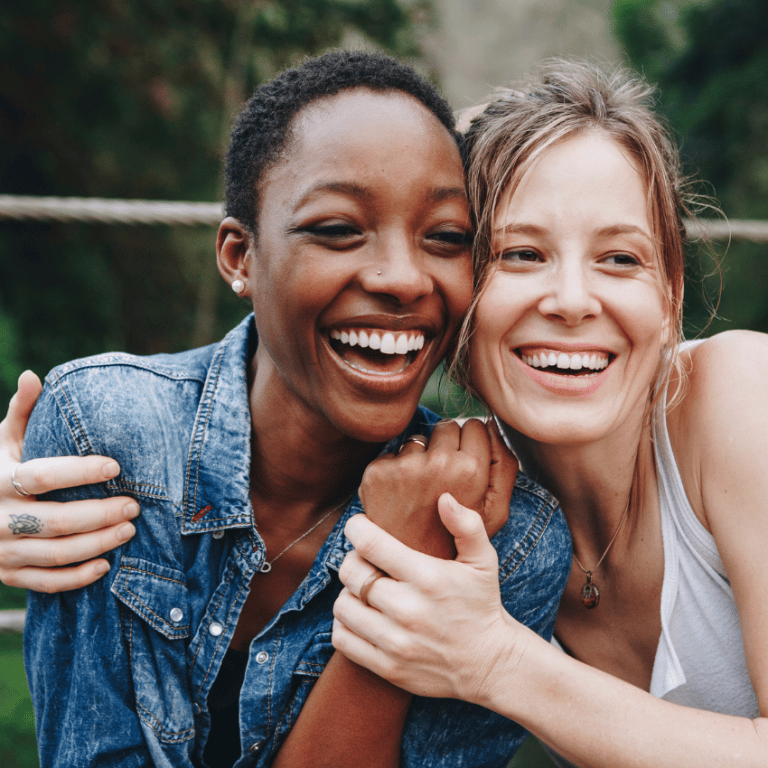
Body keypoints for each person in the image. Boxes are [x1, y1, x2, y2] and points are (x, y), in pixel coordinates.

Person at [3, 50, 571, 768]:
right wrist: (399, 579)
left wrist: (412, 564)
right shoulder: (107, 435)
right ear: (240, 256)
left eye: (446, 238)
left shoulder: (503, 542)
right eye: (337, 229)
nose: (401, 277)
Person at [331, 60, 768, 767]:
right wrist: (95, 498)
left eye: (620, 259)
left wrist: (500, 664)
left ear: (669, 295)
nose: (571, 299)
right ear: (456, 296)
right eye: (521, 253)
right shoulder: (470, 505)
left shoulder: (741, 395)